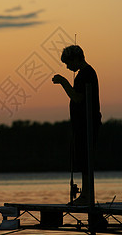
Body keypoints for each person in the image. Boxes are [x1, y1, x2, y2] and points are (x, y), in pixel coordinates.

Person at [52, 45, 101, 205]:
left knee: (86, 158)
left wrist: (63, 82)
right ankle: (86, 194)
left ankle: (87, 195)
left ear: (76, 59)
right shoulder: (85, 74)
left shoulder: (86, 74)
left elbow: (77, 97)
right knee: (82, 158)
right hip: (82, 124)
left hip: (87, 123)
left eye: (68, 63)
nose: (67, 67)